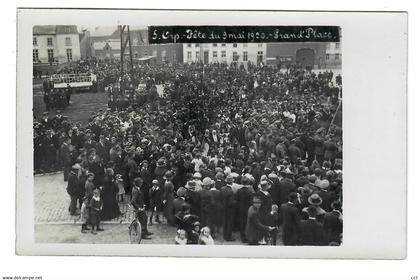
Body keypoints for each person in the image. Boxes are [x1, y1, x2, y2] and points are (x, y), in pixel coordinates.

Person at [220, 174, 236, 241]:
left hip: (223, 208)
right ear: (231, 182)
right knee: (229, 223)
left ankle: (224, 235)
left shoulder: (222, 189)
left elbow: (220, 198)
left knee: (224, 222)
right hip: (229, 209)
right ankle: (228, 237)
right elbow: (231, 202)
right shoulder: (231, 191)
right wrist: (236, 202)